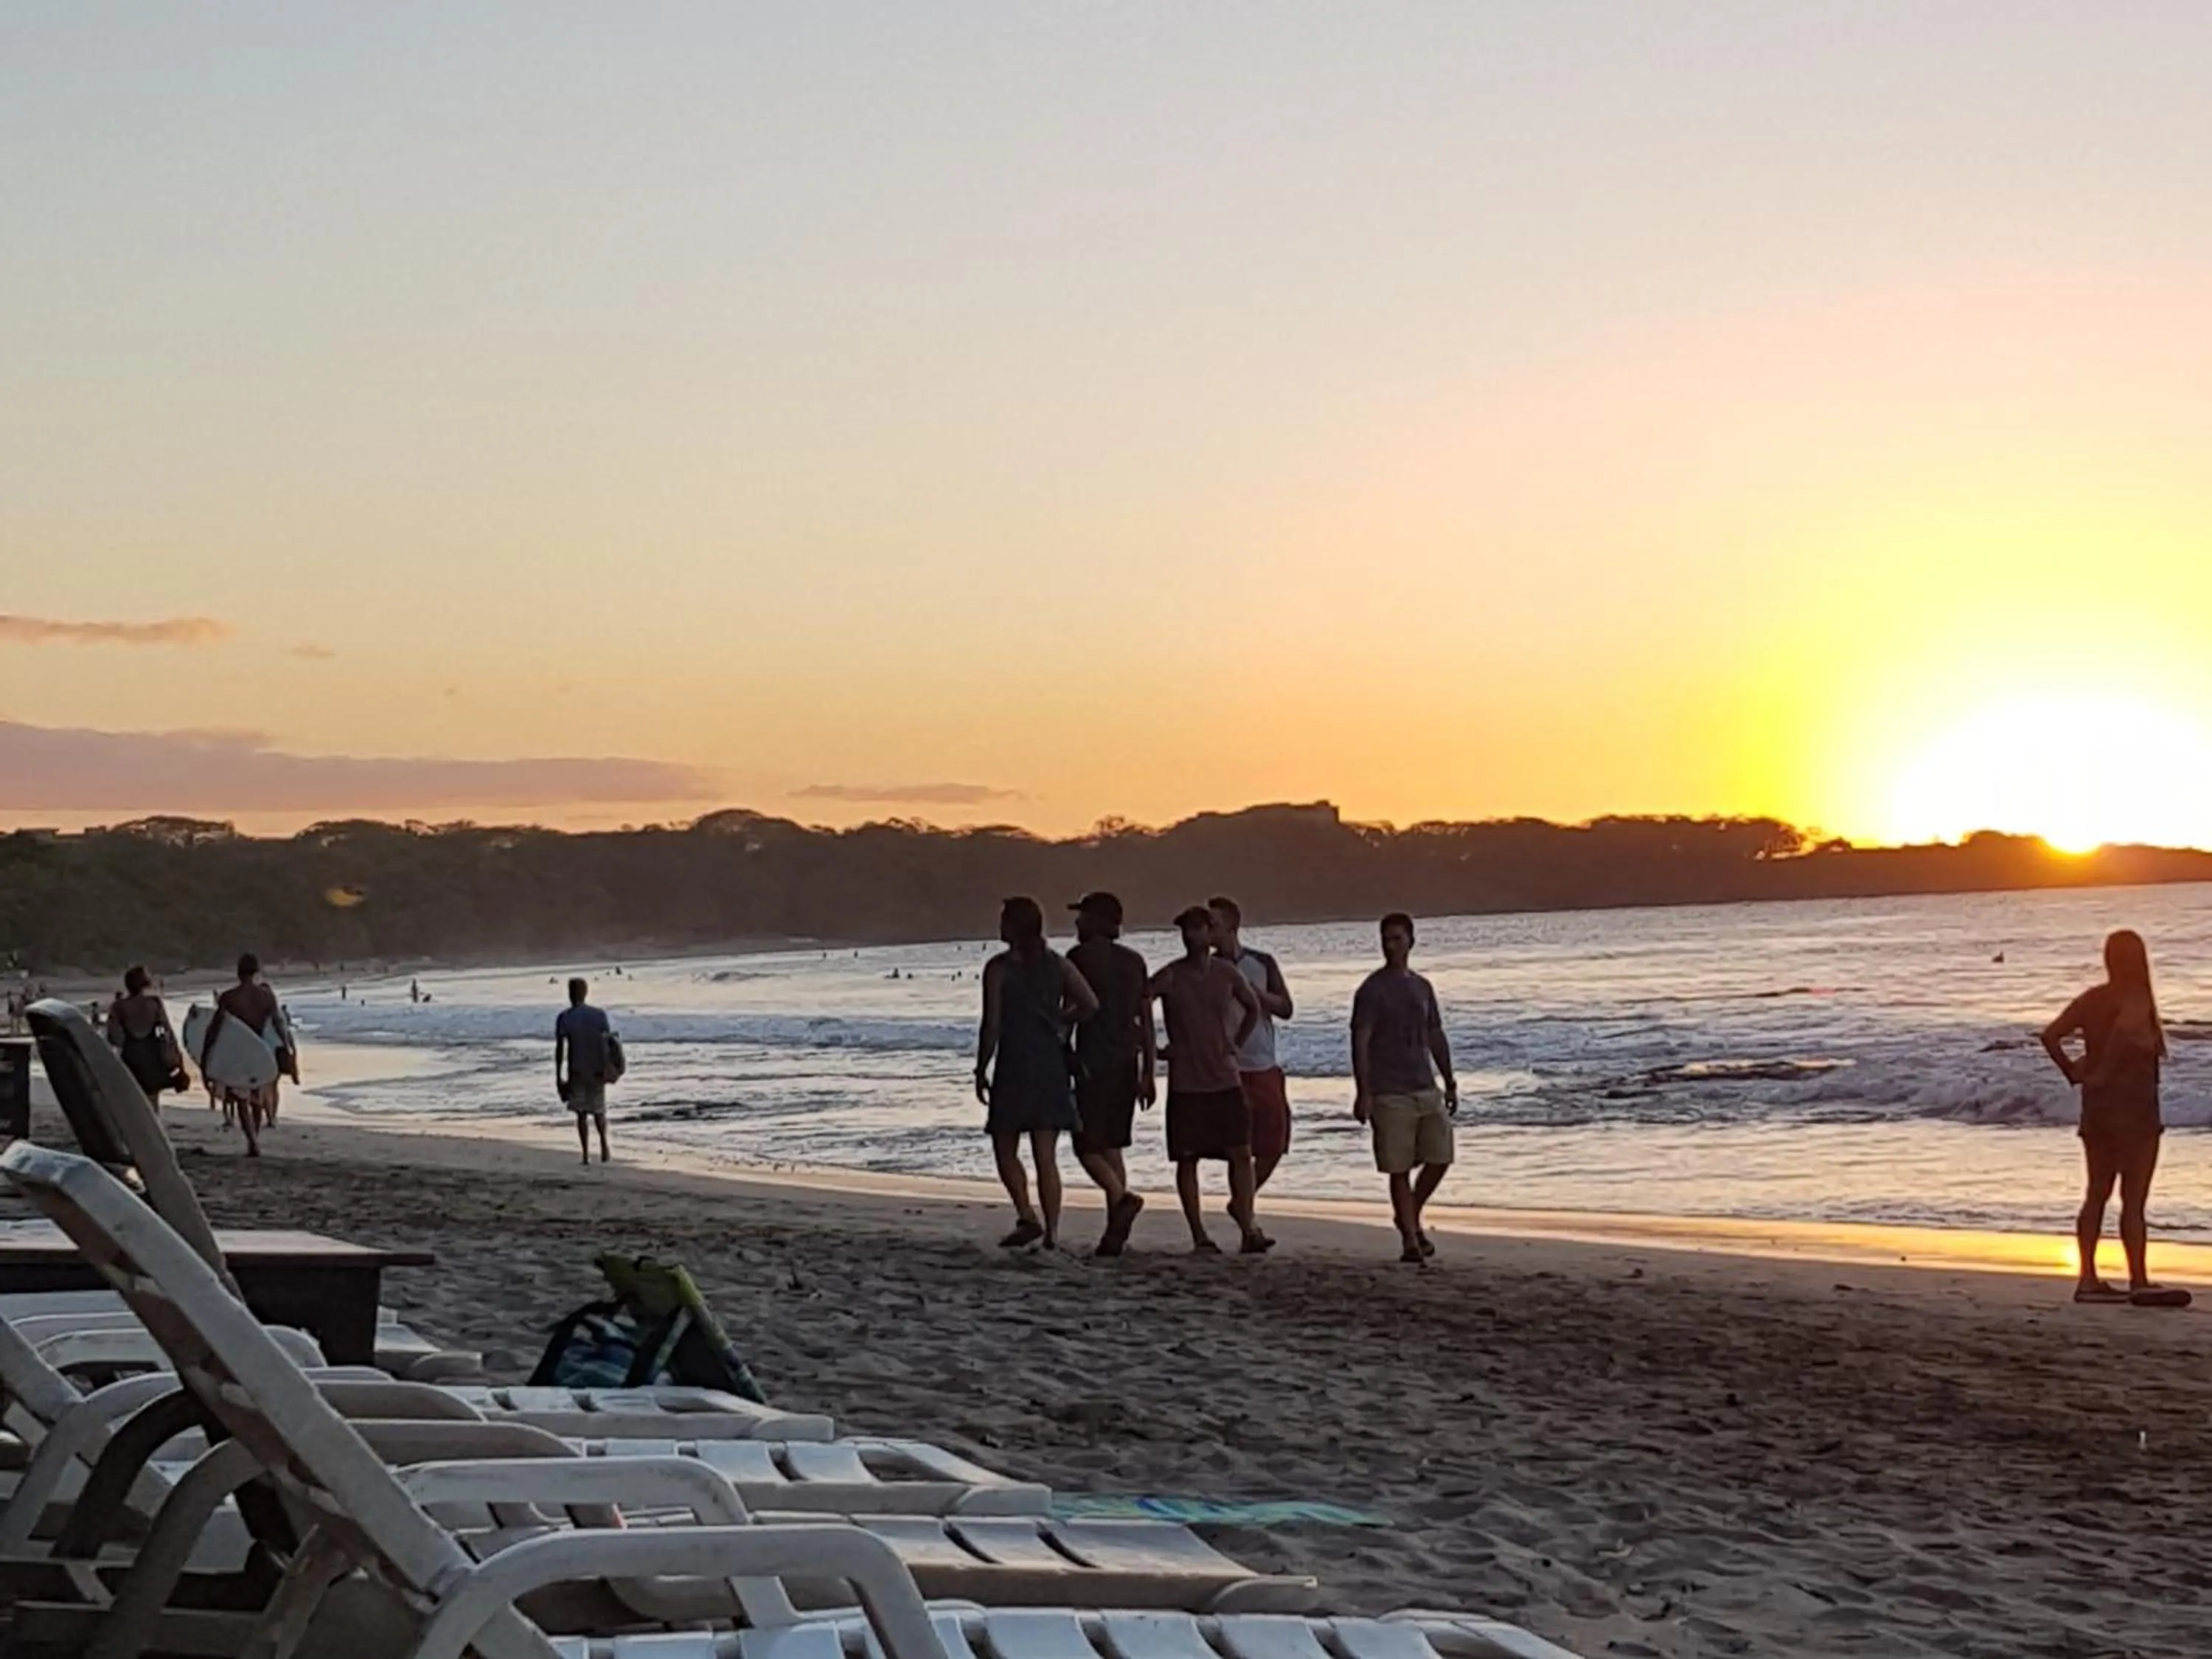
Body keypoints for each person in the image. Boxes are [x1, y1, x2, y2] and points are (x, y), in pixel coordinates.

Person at [2042, 929, 2169, 1302]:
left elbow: (2050, 1036)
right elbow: (2123, 1035)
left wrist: (2074, 1073)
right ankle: (2139, 1279)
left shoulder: (2092, 999)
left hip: (2097, 1110)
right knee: (2133, 1199)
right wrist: (2103, 1070)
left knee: (2097, 1193)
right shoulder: (2137, 997)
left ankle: (2088, 1278)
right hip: (2135, 1109)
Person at [975, 897, 1099, 1249]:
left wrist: (981, 1067)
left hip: (1014, 1062)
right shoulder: (1057, 965)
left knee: (1005, 1146)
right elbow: (1090, 1004)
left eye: (1004, 921)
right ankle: (1053, 1235)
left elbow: (992, 1024)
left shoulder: (999, 968)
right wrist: (1061, 1020)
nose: (999, 926)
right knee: (1046, 1155)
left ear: (1015, 927)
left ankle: (1028, 1215)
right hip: (1049, 1061)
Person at [1150, 905, 1270, 1254]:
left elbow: (1253, 1008)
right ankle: (1199, 1234)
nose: (1191, 936)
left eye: (1198, 929)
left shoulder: (1226, 973)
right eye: (1186, 931)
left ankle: (1249, 1228)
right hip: (1186, 1083)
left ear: (1210, 931)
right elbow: (1140, 1001)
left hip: (1224, 1078)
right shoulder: (1172, 975)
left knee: (1241, 1152)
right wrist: (1156, 1048)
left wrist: (1236, 1042)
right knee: (1187, 1159)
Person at [1351, 913, 1458, 1263]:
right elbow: (1360, 1040)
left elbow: (1434, 1034)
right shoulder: (1371, 990)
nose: (1391, 945)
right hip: (1389, 1090)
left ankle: (1408, 1212)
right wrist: (1363, 1091)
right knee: (1398, 1167)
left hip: (1425, 1085)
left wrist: (1449, 1079)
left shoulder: (1422, 986)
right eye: (1386, 939)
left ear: (1411, 941)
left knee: (1440, 1157)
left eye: (1397, 938)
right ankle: (1410, 1240)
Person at [1065, 891, 1155, 1256]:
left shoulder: (1079, 958)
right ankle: (1113, 1230)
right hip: (1126, 1061)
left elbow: (1071, 1010)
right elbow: (1146, 1021)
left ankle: (1121, 1199)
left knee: (1084, 1143)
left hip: (1093, 1060)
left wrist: (1064, 1053)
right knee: (1113, 1144)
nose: (1077, 923)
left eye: (1083, 916)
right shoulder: (1134, 962)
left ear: (1099, 921)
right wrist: (1149, 1070)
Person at [1209, 895, 1295, 1190]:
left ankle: (1243, 1199)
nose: (1209, 931)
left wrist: (1255, 994)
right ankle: (1245, 1211)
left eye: (1215, 924)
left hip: (1263, 1062)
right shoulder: (1207, 968)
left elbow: (1285, 1008)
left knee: (1274, 1144)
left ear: (1232, 926)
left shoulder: (1261, 962)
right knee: (1238, 1147)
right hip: (1228, 1067)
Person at [204, 953, 296, 1157]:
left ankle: (252, 1140)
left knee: (241, 1098)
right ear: (256, 972)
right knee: (257, 1096)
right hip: (260, 1049)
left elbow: (215, 1028)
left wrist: (207, 1053)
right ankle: (254, 1135)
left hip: (238, 1050)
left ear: (238, 973)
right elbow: (278, 1024)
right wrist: (287, 1047)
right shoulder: (266, 996)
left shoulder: (229, 997)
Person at [555, 977, 617, 1166]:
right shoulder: (599, 1015)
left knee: (581, 1113)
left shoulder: (565, 1017)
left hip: (577, 1070)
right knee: (599, 1111)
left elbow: (560, 1049)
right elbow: (608, 1043)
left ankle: (585, 1153)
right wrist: (610, 1068)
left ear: (570, 993)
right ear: (586, 992)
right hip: (597, 1069)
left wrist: (559, 1075)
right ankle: (605, 1146)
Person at [105, 965, 184, 1104]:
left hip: (131, 1054)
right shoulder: (154, 1003)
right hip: (153, 1054)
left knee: (134, 1097)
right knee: (153, 1096)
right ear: (144, 983)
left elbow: (115, 1037)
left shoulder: (118, 1007)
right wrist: (176, 1059)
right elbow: (167, 1033)